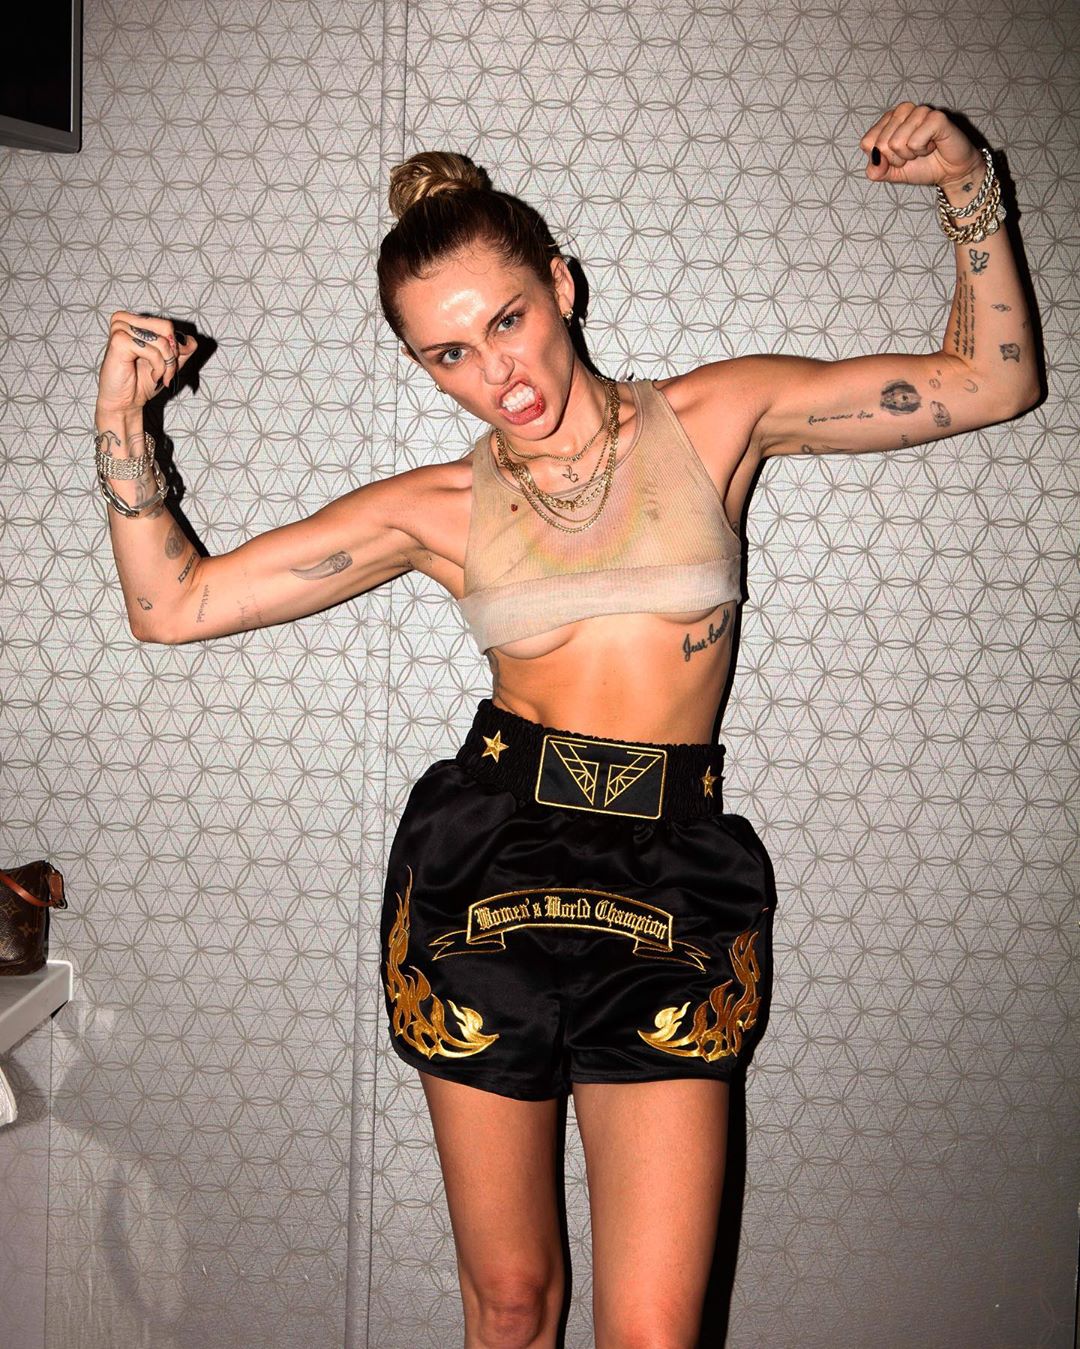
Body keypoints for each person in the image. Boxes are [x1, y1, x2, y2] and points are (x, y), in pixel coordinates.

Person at [93, 102, 1037, 1348]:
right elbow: (172, 605)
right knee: (513, 1302)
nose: (500, 374)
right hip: (490, 859)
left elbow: (993, 381)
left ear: (561, 286)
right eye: (449, 354)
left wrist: (967, 185)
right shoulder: (436, 506)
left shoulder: (715, 419)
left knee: (653, 1330)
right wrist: (124, 421)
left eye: (507, 320)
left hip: (671, 868)